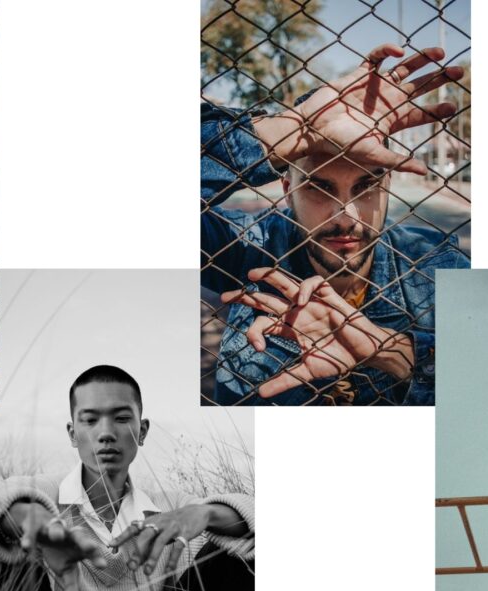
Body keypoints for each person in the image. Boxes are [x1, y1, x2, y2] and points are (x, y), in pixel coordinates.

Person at [201, 43, 469, 405]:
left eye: (367, 186)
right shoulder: (248, 247)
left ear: (388, 183)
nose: (347, 217)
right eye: (319, 187)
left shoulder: (439, 265)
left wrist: (398, 354)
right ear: (287, 188)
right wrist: (292, 130)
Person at [0, 365, 255, 591]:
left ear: (142, 431)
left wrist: (205, 513)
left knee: (241, 562)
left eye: (122, 418)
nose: (106, 434)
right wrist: (31, 519)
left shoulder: (172, 504)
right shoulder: (45, 491)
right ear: (73, 434)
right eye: (90, 420)